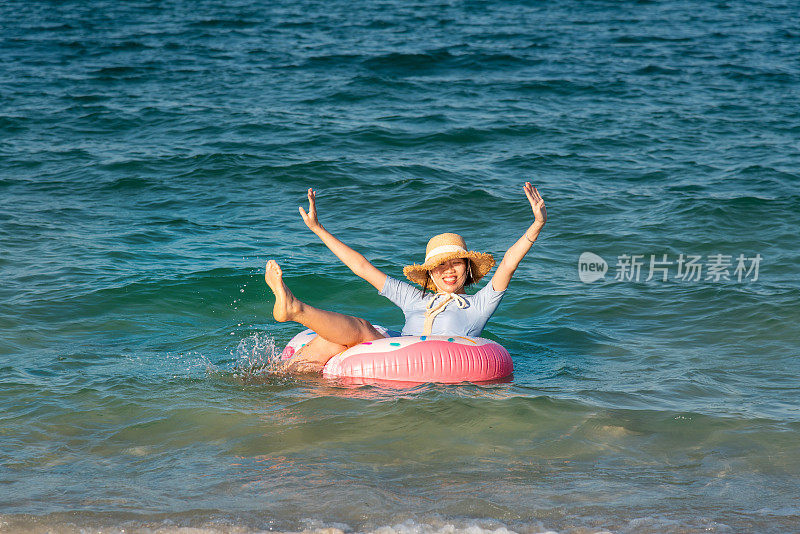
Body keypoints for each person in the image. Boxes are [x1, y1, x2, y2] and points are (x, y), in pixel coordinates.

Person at [265, 183, 547, 373]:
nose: (448, 270)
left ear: (468, 268)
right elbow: (363, 268)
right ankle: (274, 378)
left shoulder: (478, 305)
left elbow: (508, 264)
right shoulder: (415, 298)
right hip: (395, 356)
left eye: (456, 264)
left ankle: (297, 309)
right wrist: (318, 229)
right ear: (429, 272)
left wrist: (536, 225)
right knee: (331, 342)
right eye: (440, 265)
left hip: (439, 365)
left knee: (360, 328)